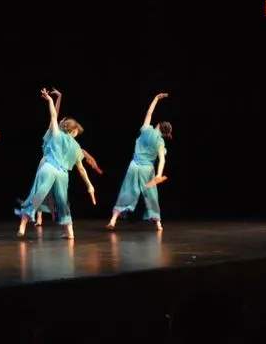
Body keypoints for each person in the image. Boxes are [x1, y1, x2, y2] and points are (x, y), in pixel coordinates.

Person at [15, 88, 95, 240]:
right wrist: (89, 185)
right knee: (62, 201)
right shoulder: (76, 147)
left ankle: (23, 225)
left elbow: (53, 114)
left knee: (37, 195)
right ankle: (70, 232)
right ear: (72, 130)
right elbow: (81, 169)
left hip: (49, 166)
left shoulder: (57, 134)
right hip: (62, 174)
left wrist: (51, 100)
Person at [30, 88, 103, 227]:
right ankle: (39, 216)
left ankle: (57, 215)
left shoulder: (64, 137)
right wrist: (57, 99)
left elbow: (56, 114)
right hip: (47, 161)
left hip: (55, 162)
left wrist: (59, 97)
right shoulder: (53, 130)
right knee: (42, 189)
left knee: (53, 191)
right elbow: (54, 113)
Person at [107, 93, 171, 231]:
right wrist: (159, 174)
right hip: (147, 169)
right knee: (151, 194)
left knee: (126, 191)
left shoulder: (147, 130)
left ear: (158, 126)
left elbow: (149, 113)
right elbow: (162, 159)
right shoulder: (160, 142)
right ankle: (158, 224)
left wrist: (155, 99)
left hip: (134, 166)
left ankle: (113, 219)